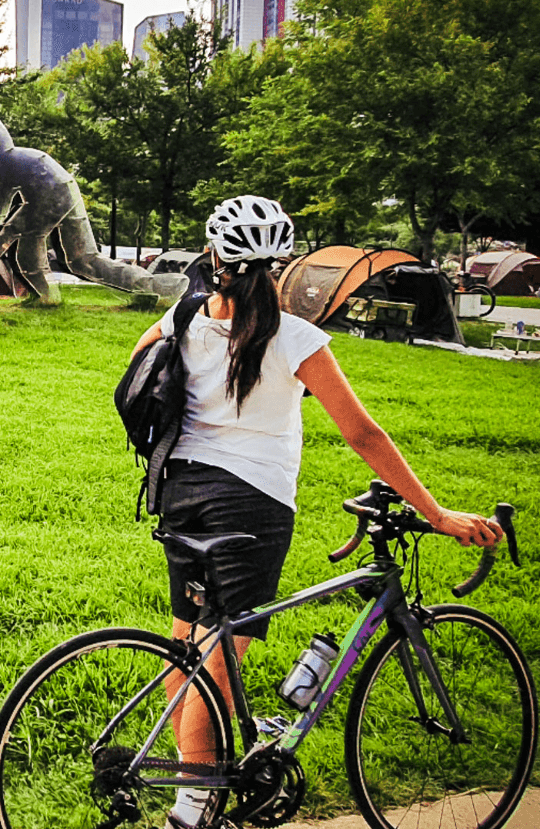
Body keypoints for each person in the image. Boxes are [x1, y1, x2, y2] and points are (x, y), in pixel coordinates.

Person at [127, 195, 503, 829]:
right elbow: (363, 434)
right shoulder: (294, 336)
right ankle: (191, 809)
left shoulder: (185, 315)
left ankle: (199, 787)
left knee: (188, 647)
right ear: (281, 266)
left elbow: (140, 364)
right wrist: (436, 514)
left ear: (215, 258)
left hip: (180, 492)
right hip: (250, 505)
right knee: (220, 662)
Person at [0, 119, 188, 305]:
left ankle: (48, 298)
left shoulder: (7, 167)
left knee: (29, 252)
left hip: (52, 198)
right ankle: (156, 288)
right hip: (66, 194)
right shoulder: (23, 159)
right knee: (83, 261)